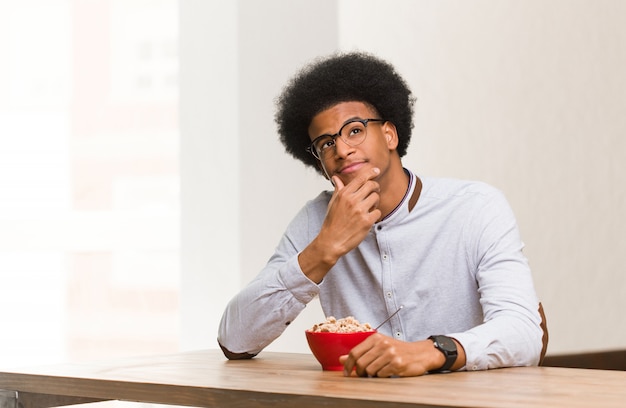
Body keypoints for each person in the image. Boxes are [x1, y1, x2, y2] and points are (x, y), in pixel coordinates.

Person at [217, 51, 546, 377]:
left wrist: (430, 351)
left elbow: (525, 331)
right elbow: (234, 340)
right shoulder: (316, 220)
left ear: (390, 134)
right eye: (326, 144)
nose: (342, 150)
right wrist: (323, 250)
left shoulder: (474, 207)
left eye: (355, 130)